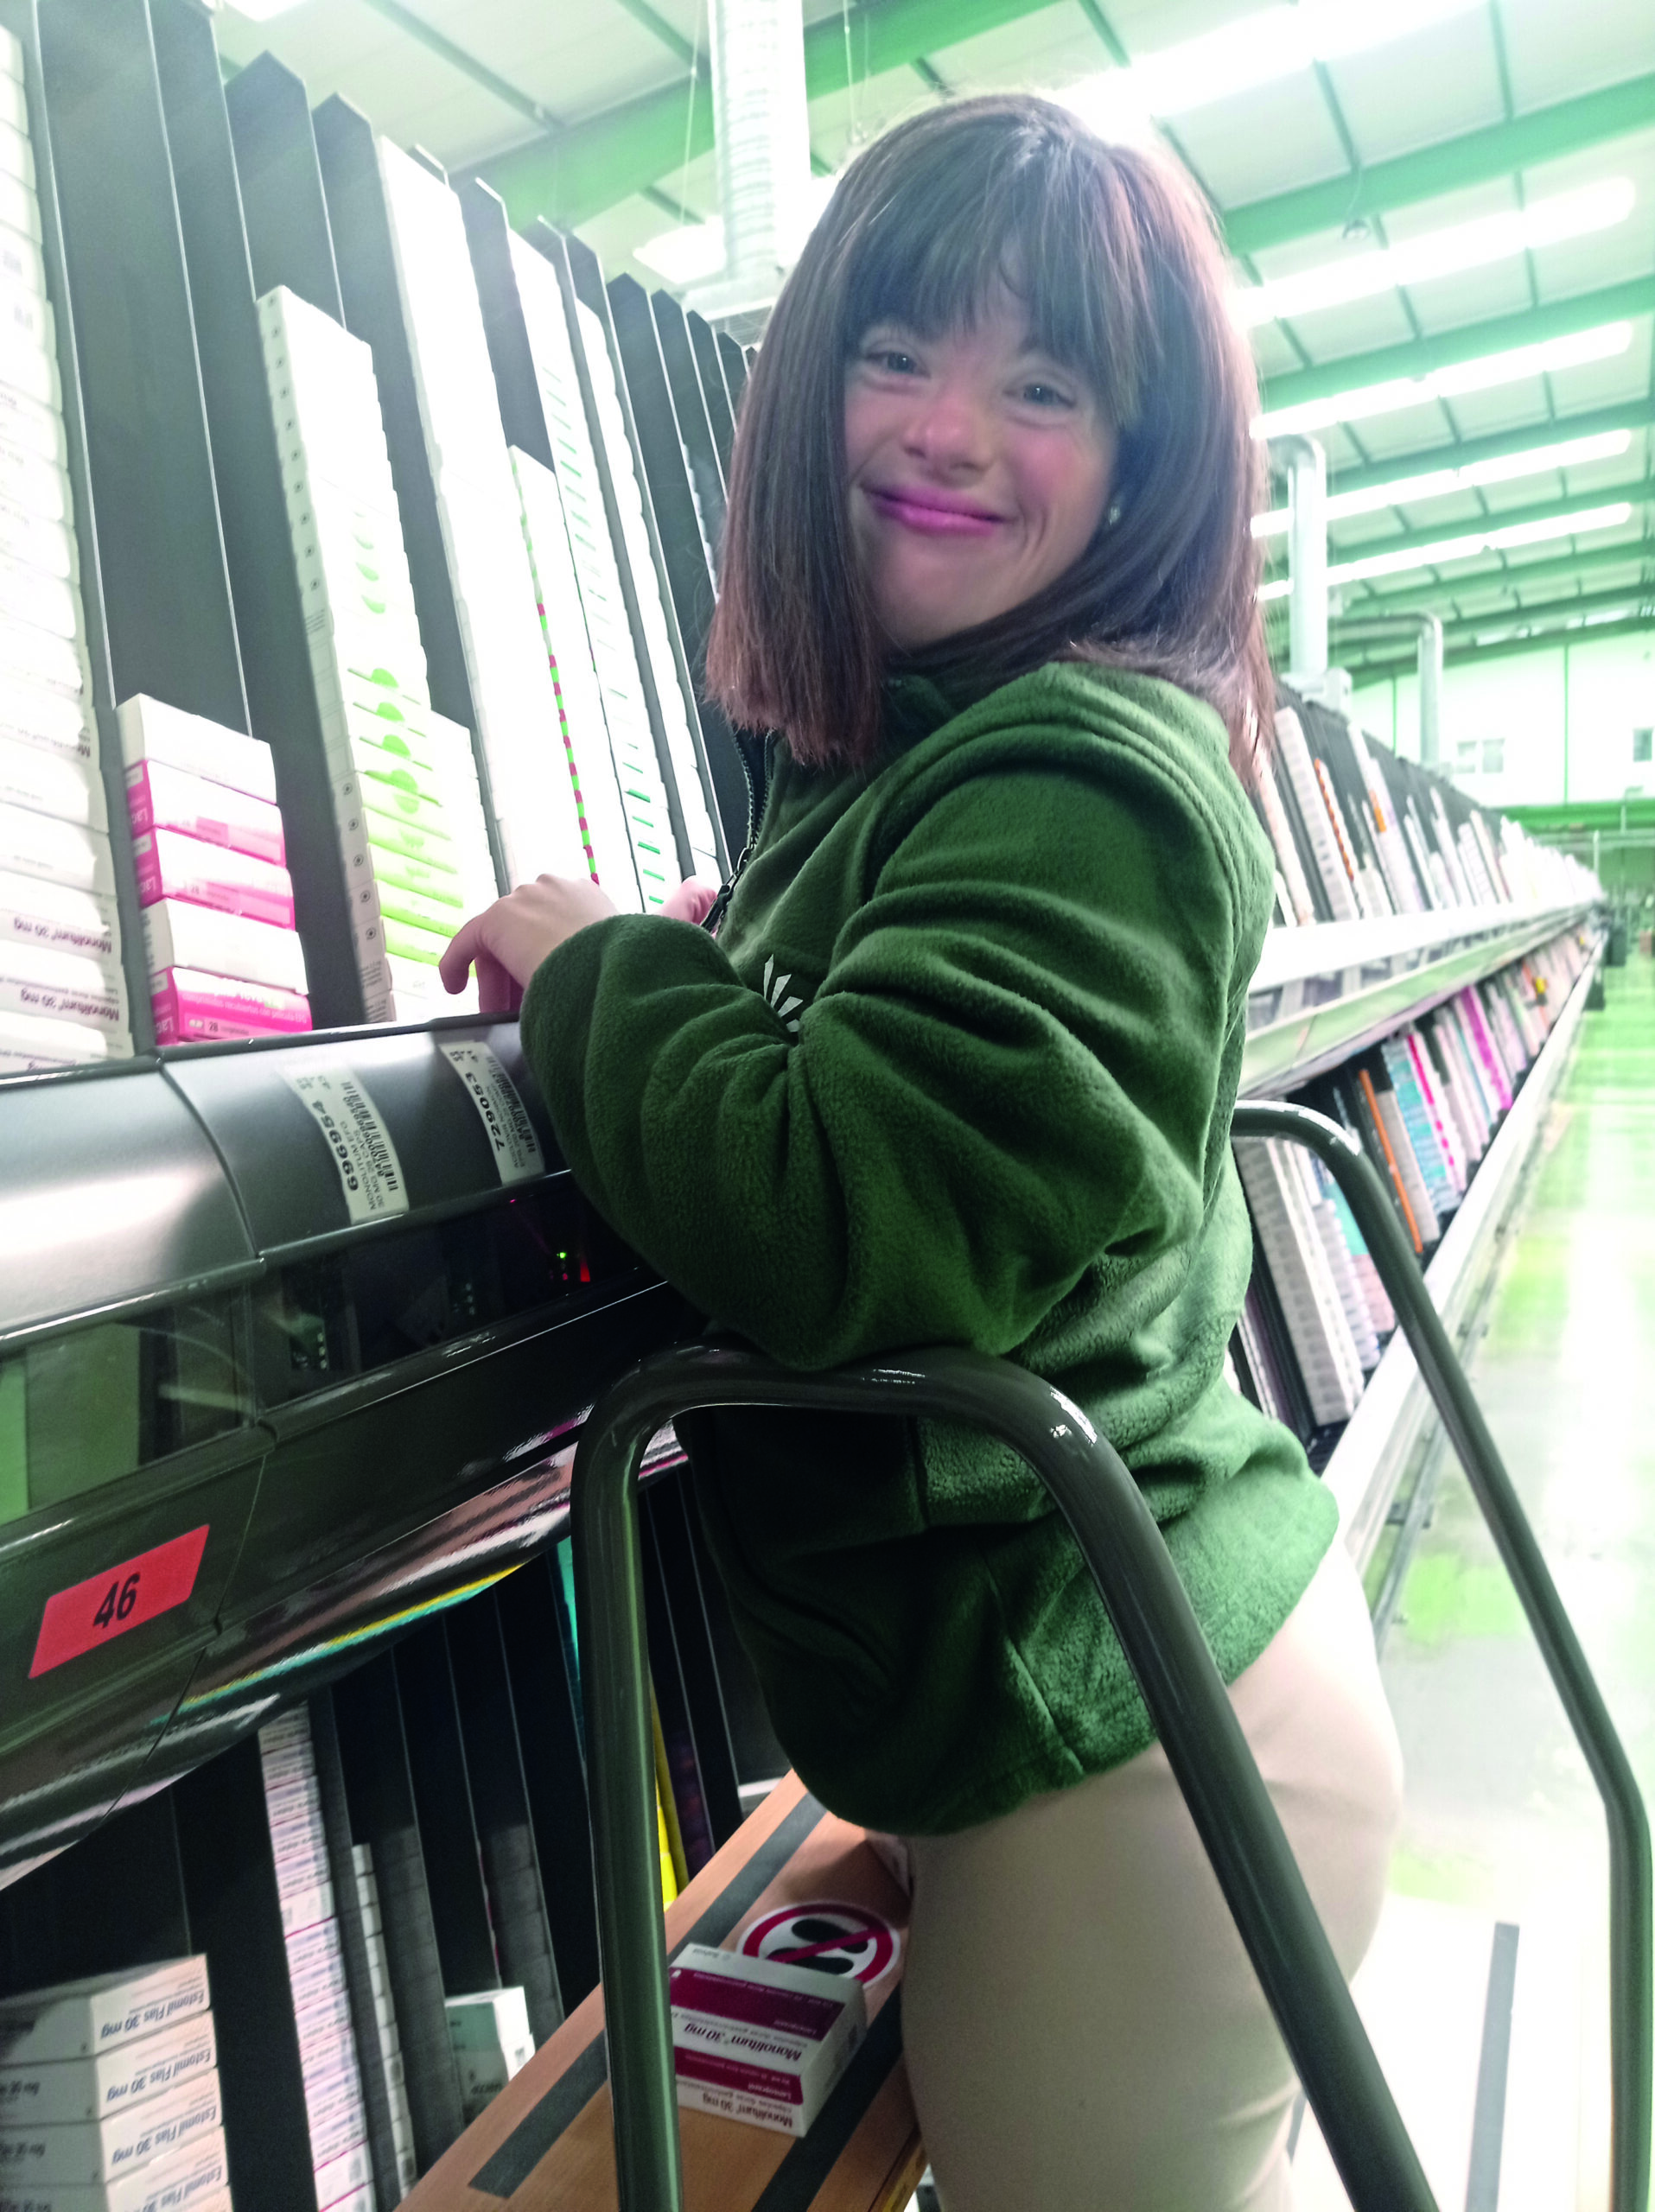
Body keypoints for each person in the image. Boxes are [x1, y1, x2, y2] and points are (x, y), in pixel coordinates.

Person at [440, 94, 1403, 2212]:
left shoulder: (1083, 772)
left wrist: (605, 972)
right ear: (812, 390)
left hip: (1127, 1747)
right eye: (899, 352)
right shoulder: (920, 746)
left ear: (1142, 464)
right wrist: (725, 966)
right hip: (1090, 1691)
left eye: (1043, 385)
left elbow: (846, 1217)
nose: (950, 428)